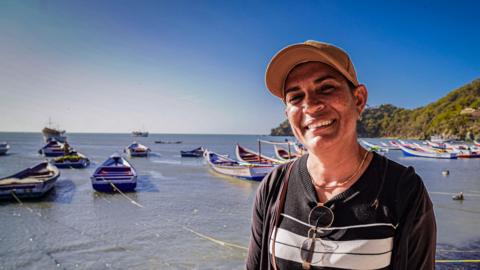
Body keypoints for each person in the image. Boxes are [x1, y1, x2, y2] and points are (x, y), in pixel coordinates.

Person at [246, 41, 436, 270]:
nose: (311, 106)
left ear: (358, 99)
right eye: (295, 97)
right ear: (288, 113)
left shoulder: (403, 190)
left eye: (326, 88)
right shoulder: (274, 186)